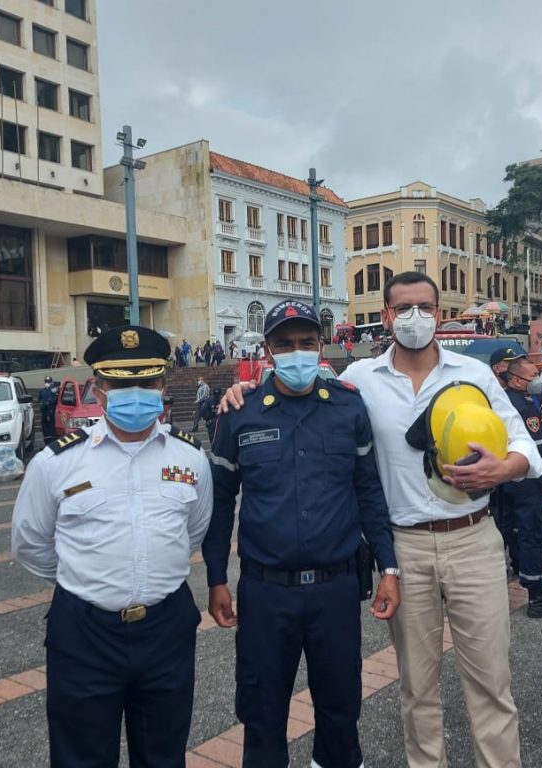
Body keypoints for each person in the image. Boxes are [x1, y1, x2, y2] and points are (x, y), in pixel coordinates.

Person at [221, 272, 542, 767]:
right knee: (418, 687)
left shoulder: (473, 374)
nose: (416, 317)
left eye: (426, 307)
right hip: (407, 545)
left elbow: (524, 444)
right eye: (404, 308)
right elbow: (297, 392)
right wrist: (244, 387)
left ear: (439, 312)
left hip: (472, 538)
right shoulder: (360, 382)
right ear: (387, 316)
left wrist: (505, 469)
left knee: (491, 684)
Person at [203, 300, 400, 768]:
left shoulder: (348, 407)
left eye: (307, 343)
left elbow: (369, 491)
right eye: (285, 344)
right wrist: (215, 578)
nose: (297, 352)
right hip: (267, 593)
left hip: (335, 588)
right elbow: (220, 502)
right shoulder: (239, 412)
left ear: (320, 347)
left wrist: (388, 566)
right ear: (268, 351)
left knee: (340, 709)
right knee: (261, 711)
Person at [11, 325, 211, 768]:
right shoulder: (55, 463)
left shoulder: (190, 458)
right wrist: (87, 579)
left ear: (162, 387)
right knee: (81, 756)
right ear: (99, 390)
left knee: (163, 755)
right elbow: (30, 543)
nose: (134, 393)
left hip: (166, 628)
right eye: (121, 384)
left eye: (145, 382)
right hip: (85, 631)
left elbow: (192, 533)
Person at [489, 347, 542, 618]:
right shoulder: (523, 405)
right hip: (526, 481)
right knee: (531, 533)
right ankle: (537, 597)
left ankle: (508, 579)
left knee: (504, 532)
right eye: (534, 374)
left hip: (500, 481)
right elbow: (536, 451)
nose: (538, 379)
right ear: (516, 379)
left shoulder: (496, 400)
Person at [38, 376, 59, 442]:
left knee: (52, 427)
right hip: (44, 411)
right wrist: (43, 404)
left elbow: (56, 399)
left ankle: (53, 442)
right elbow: (39, 399)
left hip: (52, 411)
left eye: (49, 382)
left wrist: (49, 402)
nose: (47, 383)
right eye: (46, 382)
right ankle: (46, 443)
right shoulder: (42, 391)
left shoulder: (54, 390)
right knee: (45, 428)